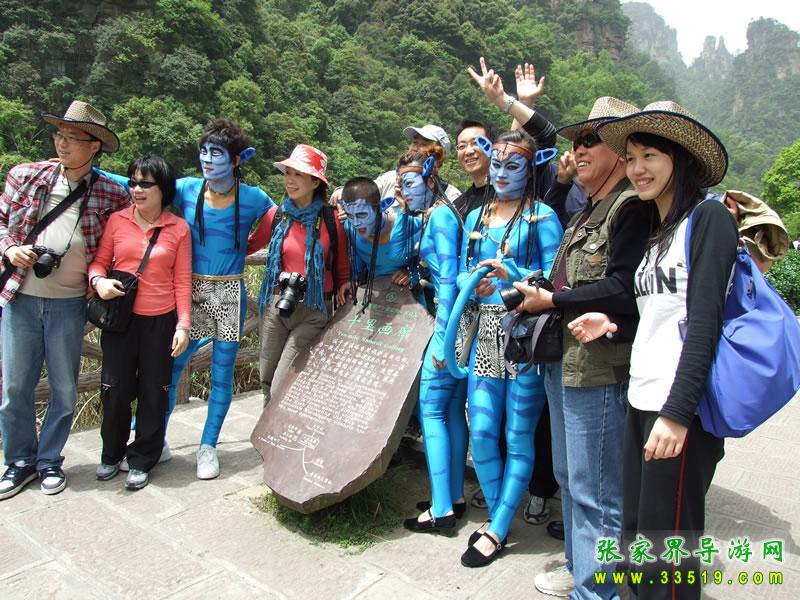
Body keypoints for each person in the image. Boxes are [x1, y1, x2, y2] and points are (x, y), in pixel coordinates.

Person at [567, 101, 735, 600]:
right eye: (633, 157)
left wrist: (678, 414)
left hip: (678, 410)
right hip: (642, 400)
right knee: (637, 538)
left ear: (680, 159)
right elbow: (661, 317)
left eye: (651, 156)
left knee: (667, 552)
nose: (638, 168)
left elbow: (704, 323)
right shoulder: (658, 229)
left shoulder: (707, 219)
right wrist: (613, 325)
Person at [512, 96, 657, 598]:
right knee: (571, 479)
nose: (579, 149)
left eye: (592, 140)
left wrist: (553, 299)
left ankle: (598, 591)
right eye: (577, 141)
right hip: (564, 364)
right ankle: (582, 569)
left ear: (619, 151)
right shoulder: (585, 211)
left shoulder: (631, 208)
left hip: (597, 370)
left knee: (597, 490)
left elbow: (623, 288)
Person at [103, 119, 275, 480]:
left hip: (229, 292)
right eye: (204, 152)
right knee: (169, 371)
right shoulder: (186, 188)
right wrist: (91, 170)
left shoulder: (255, 197)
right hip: (188, 291)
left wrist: (246, 247)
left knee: (221, 375)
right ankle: (153, 441)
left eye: (217, 153)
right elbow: (136, 184)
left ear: (237, 159)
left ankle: (208, 446)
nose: (207, 160)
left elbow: (277, 218)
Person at [0, 100, 129, 500]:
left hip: (70, 305)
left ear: (94, 146)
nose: (62, 143)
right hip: (21, 298)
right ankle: (19, 461)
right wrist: (9, 249)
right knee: (14, 387)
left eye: (73, 138)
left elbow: (126, 238)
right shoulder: (25, 175)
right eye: (59, 135)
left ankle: (49, 461)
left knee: (64, 388)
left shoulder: (112, 192)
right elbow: (1, 223)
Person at [457, 129, 563, 567]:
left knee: (519, 434)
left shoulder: (543, 217)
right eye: (497, 164)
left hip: (524, 336)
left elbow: (556, 281)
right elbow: (460, 272)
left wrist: (513, 274)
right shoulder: (475, 217)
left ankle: (498, 527)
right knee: (482, 433)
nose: (501, 173)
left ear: (532, 167)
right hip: (484, 332)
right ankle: (502, 509)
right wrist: (473, 281)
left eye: (513, 165)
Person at [89, 154, 191, 490]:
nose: (136, 189)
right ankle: (111, 453)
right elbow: (99, 263)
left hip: (160, 322)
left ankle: (143, 458)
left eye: (145, 184)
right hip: (121, 319)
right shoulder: (117, 221)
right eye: (133, 183)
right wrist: (98, 282)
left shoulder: (178, 228)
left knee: (154, 392)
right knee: (114, 390)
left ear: (163, 188)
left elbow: (182, 280)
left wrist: (183, 325)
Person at [385, 150, 469, 535]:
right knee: (450, 411)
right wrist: (404, 211)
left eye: (410, 182)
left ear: (431, 179)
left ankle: (441, 511)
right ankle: (452, 496)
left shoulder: (441, 218)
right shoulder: (434, 215)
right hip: (454, 325)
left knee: (432, 412)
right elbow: (401, 255)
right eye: (399, 183)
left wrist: (443, 339)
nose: (403, 190)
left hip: (446, 327)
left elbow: (448, 280)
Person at [248, 144, 350, 406]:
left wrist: (345, 283)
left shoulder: (331, 219)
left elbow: (341, 262)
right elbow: (249, 246)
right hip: (277, 304)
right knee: (266, 377)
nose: (290, 181)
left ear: (316, 182)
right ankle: (268, 423)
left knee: (284, 380)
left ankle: (276, 424)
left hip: (314, 308)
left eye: (298, 175)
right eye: (288, 173)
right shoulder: (277, 215)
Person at [330, 124, 461, 206]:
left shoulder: (450, 196)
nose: (415, 148)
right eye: (415, 142)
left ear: (438, 155)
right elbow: (365, 192)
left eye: (424, 144)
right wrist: (343, 192)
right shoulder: (390, 179)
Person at [340, 177, 416, 296]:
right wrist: (355, 280)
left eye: (362, 215)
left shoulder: (412, 226)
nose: (356, 223)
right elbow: (358, 256)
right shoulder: (350, 228)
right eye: (350, 215)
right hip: (376, 294)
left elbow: (433, 265)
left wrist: (412, 273)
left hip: (411, 297)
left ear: (380, 207)